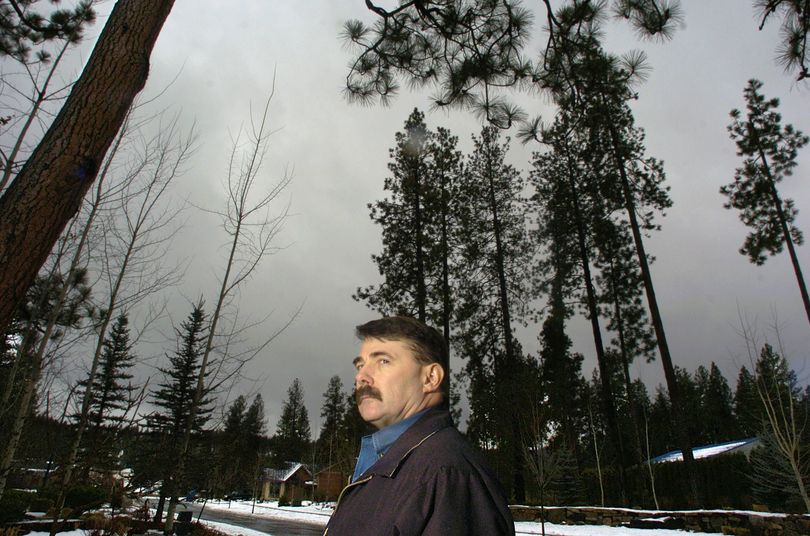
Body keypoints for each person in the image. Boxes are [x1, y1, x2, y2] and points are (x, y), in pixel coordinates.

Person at [323, 316, 515, 536]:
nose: (361, 377)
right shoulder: (391, 463)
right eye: (360, 364)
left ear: (430, 378)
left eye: (383, 361)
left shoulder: (448, 476)